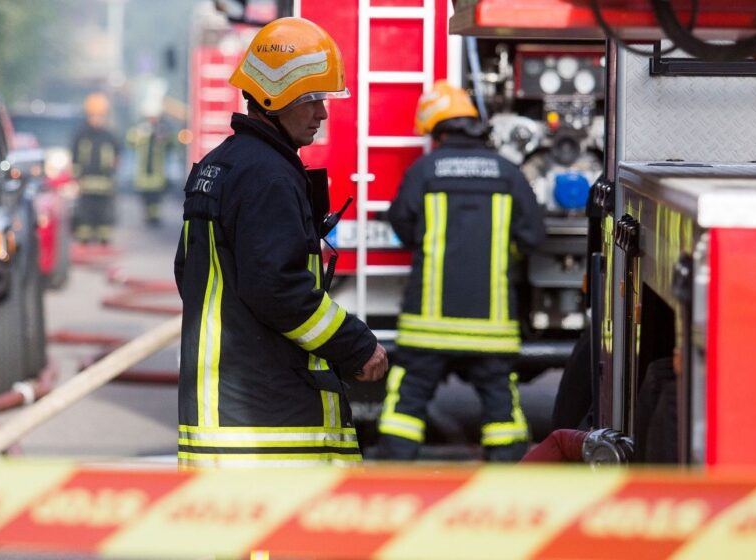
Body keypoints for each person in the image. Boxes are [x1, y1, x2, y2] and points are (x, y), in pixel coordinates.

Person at [174, 17, 388, 468]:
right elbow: (278, 288)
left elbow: (189, 274)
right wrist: (355, 345)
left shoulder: (219, 166)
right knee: (277, 542)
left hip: (222, 415)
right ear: (275, 96)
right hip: (264, 426)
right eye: (311, 99)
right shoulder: (268, 175)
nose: (322, 114)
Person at [376, 80, 544, 462]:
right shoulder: (507, 173)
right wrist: (500, 254)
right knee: (502, 408)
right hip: (491, 326)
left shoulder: (425, 170)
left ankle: (391, 474)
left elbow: (402, 225)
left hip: (427, 326)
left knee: (407, 403)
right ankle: (507, 481)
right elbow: (533, 234)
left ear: (437, 129)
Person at [71, 92, 121, 244]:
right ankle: (84, 239)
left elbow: (117, 158)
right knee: (85, 215)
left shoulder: (109, 136)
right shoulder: (81, 136)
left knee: (104, 216)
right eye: (93, 115)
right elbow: (75, 159)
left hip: (105, 186)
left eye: (100, 116)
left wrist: (113, 176)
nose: (97, 119)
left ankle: (103, 239)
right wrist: (76, 180)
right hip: (85, 186)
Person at [126, 111, 173, 226]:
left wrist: (163, 136)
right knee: (146, 199)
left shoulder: (162, 131)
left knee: (155, 199)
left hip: (157, 175)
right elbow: (130, 140)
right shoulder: (140, 131)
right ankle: (148, 216)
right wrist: (140, 132)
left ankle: (154, 218)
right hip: (143, 175)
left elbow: (170, 145)